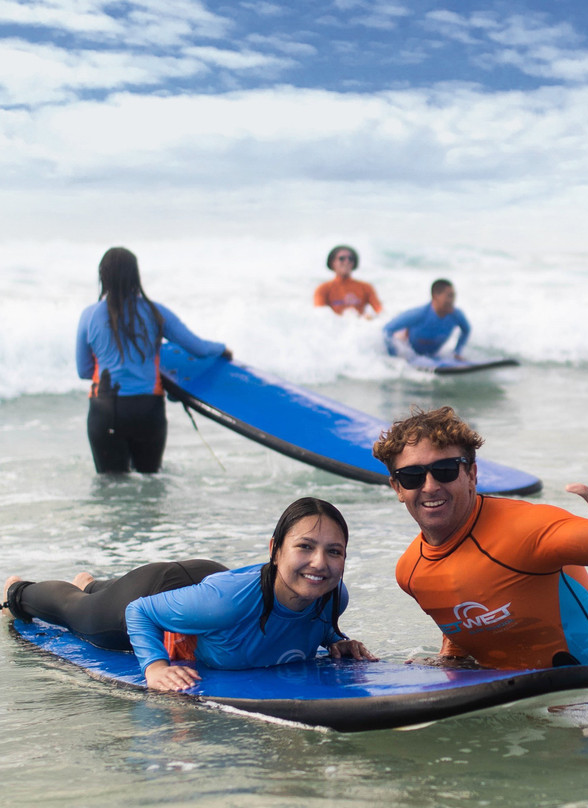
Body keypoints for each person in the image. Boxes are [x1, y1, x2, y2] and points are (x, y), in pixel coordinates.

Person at [371, 406, 588, 681]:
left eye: (445, 470)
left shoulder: (526, 529)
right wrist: (451, 657)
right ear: (397, 488)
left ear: (471, 475)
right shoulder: (410, 572)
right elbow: (462, 605)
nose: (430, 486)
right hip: (515, 702)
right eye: (412, 476)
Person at [2, 497, 376, 692]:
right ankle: (17, 590)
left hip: (205, 588)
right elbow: (140, 611)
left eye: (334, 551)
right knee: (82, 615)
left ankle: (93, 583)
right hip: (162, 590)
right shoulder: (224, 604)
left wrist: (335, 640)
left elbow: (299, 621)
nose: (319, 563)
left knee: (103, 597)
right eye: (305, 547)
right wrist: (155, 666)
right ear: (275, 550)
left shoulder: (331, 597)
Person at [76, 247, 232, 474]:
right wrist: (222, 349)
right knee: (150, 483)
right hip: (147, 411)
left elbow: (83, 370)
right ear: (135, 276)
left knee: (111, 489)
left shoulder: (89, 315)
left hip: (106, 410)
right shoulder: (156, 312)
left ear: (103, 276)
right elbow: (197, 347)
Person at [382, 279, 470, 359]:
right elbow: (386, 330)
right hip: (409, 352)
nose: (452, 300)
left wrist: (457, 352)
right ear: (435, 296)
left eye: (453, 296)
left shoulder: (456, 315)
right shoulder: (419, 314)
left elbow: (466, 330)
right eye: (449, 296)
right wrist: (394, 356)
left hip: (432, 356)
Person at [313, 245, 383, 318]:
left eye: (350, 259)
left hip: (360, 326)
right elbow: (320, 315)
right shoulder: (323, 289)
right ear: (332, 262)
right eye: (342, 258)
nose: (347, 261)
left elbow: (379, 310)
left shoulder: (366, 287)